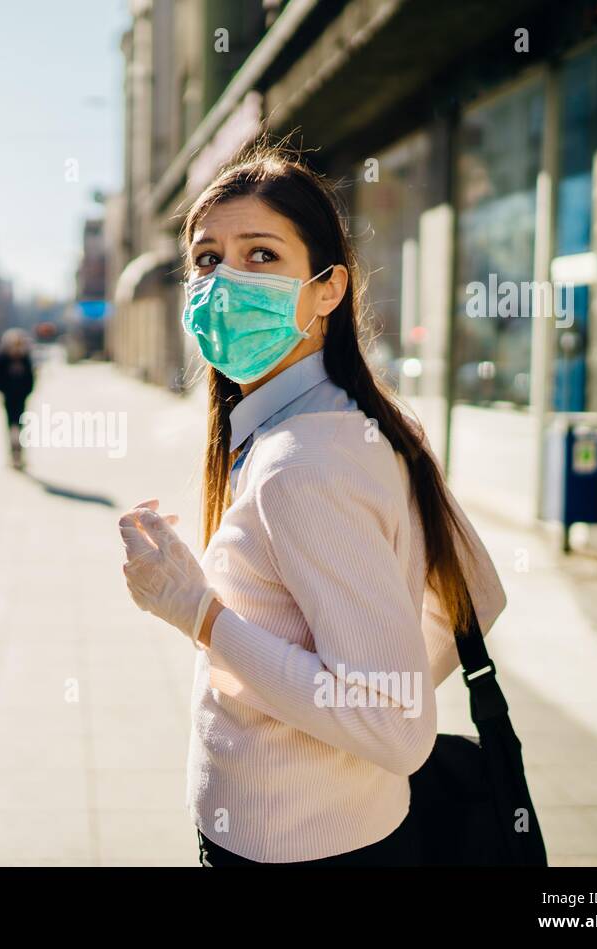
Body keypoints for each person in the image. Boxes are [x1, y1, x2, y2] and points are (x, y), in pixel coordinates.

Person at [117, 147, 507, 867]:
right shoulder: (355, 418)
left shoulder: (306, 462)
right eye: (206, 260)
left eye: (261, 254)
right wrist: (353, 692)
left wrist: (196, 612)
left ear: (328, 290)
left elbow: (393, 726)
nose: (224, 282)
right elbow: (475, 594)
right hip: (341, 829)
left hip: (296, 849)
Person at [0, 328, 36, 468]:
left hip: (21, 397)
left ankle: (19, 453)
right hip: (9, 397)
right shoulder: (3, 359)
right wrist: (3, 390)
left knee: (20, 425)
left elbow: (30, 378)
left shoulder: (24, 358)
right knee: (11, 425)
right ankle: (13, 453)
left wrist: (27, 391)